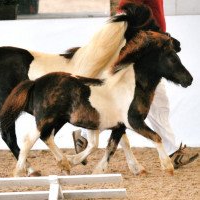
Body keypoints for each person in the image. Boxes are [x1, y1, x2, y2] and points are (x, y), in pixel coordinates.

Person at [73, 0, 199, 169]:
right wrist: (157, 37)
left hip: (151, 48)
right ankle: (171, 152)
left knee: (157, 103)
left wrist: (163, 37)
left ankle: (83, 136)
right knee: (149, 103)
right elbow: (125, 12)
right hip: (139, 51)